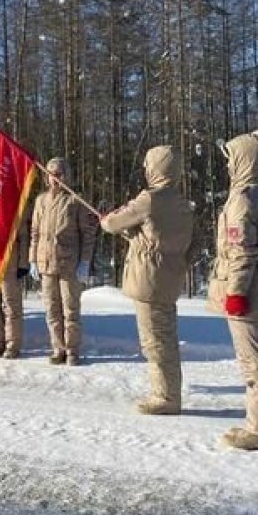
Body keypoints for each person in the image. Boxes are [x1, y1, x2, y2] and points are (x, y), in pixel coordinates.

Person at [101, 145, 194, 415]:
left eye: (148, 165)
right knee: (166, 336)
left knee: (155, 339)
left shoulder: (149, 198)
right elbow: (178, 240)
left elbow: (113, 223)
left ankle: (166, 397)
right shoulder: (181, 202)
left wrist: (109, 219)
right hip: (170, 275)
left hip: (148, 278)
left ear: (157, 167)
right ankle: (168, 392)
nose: (145, 170)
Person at [207, 133, 258, 449]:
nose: (228, 167)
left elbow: (241, 250)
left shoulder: (242, 199)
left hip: (248, 295)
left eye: (231, 160)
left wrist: (236, 292)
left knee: (252, 363)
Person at [29, 157, 97, 365]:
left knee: (70, 310)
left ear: (66, 175)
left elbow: (88, 234)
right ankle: (58, 348)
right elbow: (35, 232)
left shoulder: (75, 201)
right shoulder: (41, 201)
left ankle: (72, 350)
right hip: (46, 263)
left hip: (69, 264)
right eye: (51, 174)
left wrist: (85, 262)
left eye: (58, 174)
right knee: (52, 309)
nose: (54, 178)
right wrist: (33, 259)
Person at [0, 216, 31, 359]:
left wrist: (23, 263)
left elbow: (24, 238)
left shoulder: (15, 206)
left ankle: (12, 345)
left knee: (11, 307)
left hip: (9, 264)